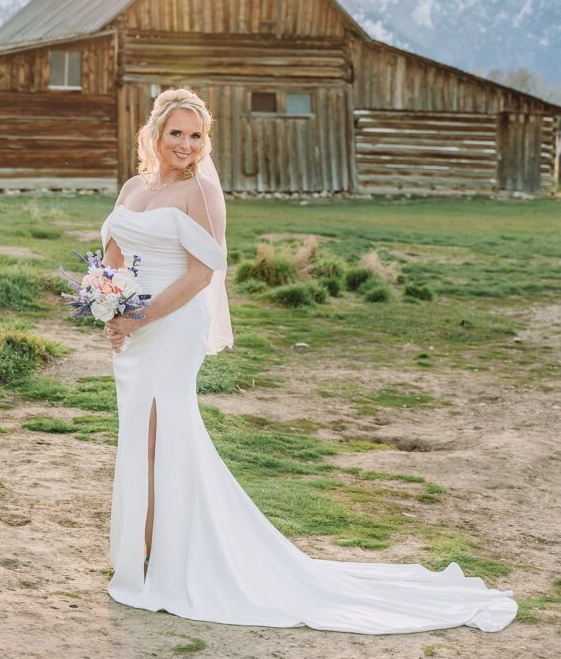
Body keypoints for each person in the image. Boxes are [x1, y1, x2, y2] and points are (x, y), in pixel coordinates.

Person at [100, 87, 517, 634]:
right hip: (133, 327)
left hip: (171, 324)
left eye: (196, 135)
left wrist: (141, 315)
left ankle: (169, 561)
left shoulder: (200, 192)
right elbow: (114, 246)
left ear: (206, 141)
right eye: (176, 132)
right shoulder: (135, 186)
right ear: (155, 132)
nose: (185, 144)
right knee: (140, 437)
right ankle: (141, 555)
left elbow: (202, 274)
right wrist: (109, 302)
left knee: (165, 434)